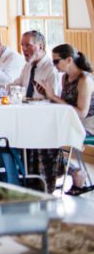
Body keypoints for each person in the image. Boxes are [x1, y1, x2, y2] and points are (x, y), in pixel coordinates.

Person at [41, 44, 94, 195]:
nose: (54, 65)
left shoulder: (84, 80)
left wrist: (53, 97)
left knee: (45, 138)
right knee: (40, 135)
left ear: (69, 60)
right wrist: (48, 96)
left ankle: (71, 172)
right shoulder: (65, 78)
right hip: (71, 122)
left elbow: (81, 112)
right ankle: (71, 172)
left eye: (56, 61)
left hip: (87, 125)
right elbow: (65, 106)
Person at [13, 29, 60, 98]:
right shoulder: (28, 65)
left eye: (28, 45)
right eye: (22, 45)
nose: (23, 49)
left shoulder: (52, 69)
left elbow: (54, 99)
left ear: (40, 47)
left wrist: (46, 94)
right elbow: (17, 85)